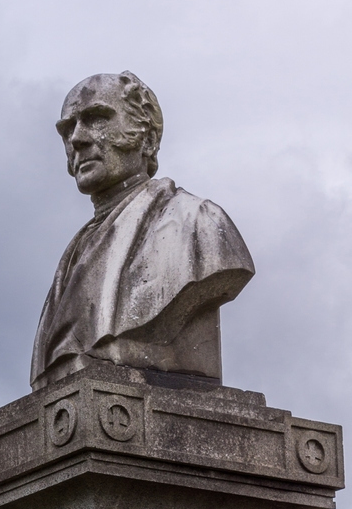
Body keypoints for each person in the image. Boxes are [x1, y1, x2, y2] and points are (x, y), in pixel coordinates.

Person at [30, 71, 254, 391]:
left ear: (147, 139)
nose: (77, 139)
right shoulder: (75, 252)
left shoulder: (198, 223)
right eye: (68, 128)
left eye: (96, 119)